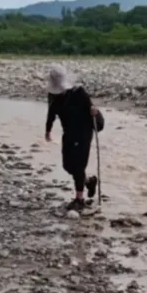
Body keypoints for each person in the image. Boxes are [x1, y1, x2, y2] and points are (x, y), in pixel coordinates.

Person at [44, 65, 104, 211]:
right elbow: (51, 112)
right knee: (67, 165)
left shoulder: (79, 92)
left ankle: (79, 199)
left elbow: (92, 109)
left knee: (78, 166)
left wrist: (94, 111)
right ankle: (89, 181)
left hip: (83, 132)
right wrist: (48, 130)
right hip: (69, 132)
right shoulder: (52, 96)